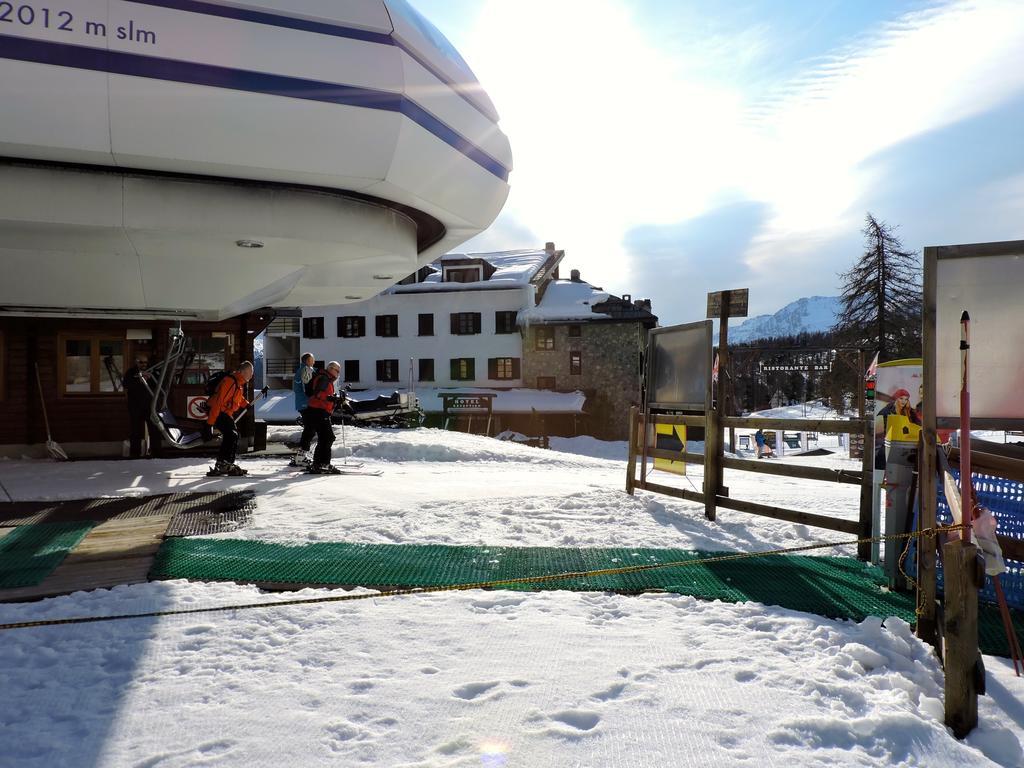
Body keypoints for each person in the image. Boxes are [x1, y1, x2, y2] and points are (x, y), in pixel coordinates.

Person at [206, 361, 253, 476]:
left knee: (233, 435)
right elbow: (218, 402)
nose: (251, 375)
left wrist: (245, 404)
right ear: (243, 371)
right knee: (231, 435)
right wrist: (209, 424)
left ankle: (226, 463)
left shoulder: (238, 382)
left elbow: (236, 397)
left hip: (225, 413)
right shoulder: (230, 381)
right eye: (250, 372)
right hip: (218, 412)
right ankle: (224, 463)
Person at [303, 360, 342, 474]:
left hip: (318, 411)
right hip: (319, 411)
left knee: (325, 437)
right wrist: (331, 398)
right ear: (331, 369)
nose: (338, 374)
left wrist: (333, 399)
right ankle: (323, 463)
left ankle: (318, 464)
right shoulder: (324, 378)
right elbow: (318, 393)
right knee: (327, 437)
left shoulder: (325, 378)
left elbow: (321, 393)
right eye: (337, 371)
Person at [123, 356, 155, 459]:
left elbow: (158, 385)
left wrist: (150, 378)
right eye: (141, 362)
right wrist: (139, 381)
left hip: (149, 405)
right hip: (135, 405)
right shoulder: (131, 372)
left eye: (145, 362)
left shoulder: (152, 371)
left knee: (154, 429)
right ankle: (135, 453)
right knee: (135, 430)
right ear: (136, 362)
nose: (144, 365)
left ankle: (155, 452)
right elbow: (126, 385)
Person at [291, 353, 318, 467]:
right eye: (312, 359)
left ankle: (300, 455)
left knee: (310, 428)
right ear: (307, 361)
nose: (314, 361)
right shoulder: (305, 371)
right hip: (305, 403)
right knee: (310, 428)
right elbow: (305, 388)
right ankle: (301, 455)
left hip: (304, 403)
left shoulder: (307, 370)